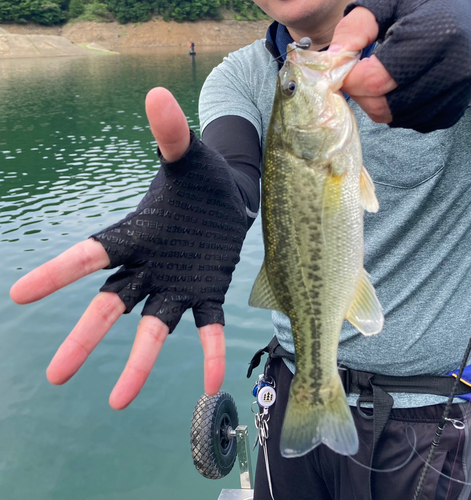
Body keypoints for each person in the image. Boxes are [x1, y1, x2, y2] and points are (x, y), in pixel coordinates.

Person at [10, 0, 471, 498]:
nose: (292, 81)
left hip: (430, 416)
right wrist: (204, 206)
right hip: (291, 388)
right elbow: (233, 169)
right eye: (290, 89)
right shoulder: (240, 76)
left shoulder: (447, 41)